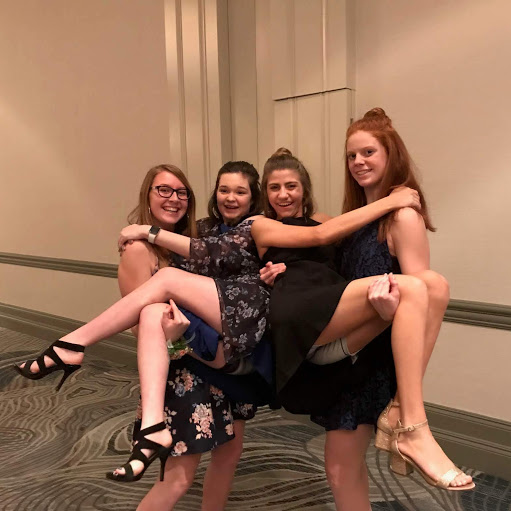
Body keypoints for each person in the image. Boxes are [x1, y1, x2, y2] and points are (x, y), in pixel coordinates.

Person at [13, 166, 418, 488]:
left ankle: (73, 345)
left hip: (248, 329)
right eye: (225, 190)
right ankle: (150, 425)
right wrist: (146, 236)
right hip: (205, 341)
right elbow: (200, 256)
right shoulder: (206, 230)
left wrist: (392, 201)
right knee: (153, 312)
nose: (232, 197)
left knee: (166, 287)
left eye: (242, 191)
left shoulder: (258, 224)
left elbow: (325, 238)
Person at [251, 144, 474, 499]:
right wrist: (394, 200)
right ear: (265, 192)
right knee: (415, 286)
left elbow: (338, 255)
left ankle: (402, 410)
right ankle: (412, 427)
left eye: (291, 186)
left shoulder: (331, 220)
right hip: (304, 321)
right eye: (274, 187)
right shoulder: (262, 224)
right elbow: (318, 238)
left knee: (434, 284)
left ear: (304, 189)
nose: (283, 194)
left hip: (341, 318)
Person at [127, 161, 265, 510]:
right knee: (178, 478)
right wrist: (177, 342)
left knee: (229, 452)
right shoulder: (138, 250)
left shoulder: (199, 238)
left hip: (219, 366)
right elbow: (139, 327)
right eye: (163, 190)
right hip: (180, 372)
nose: (173, 199)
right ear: (147, 195)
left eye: (181, 192)